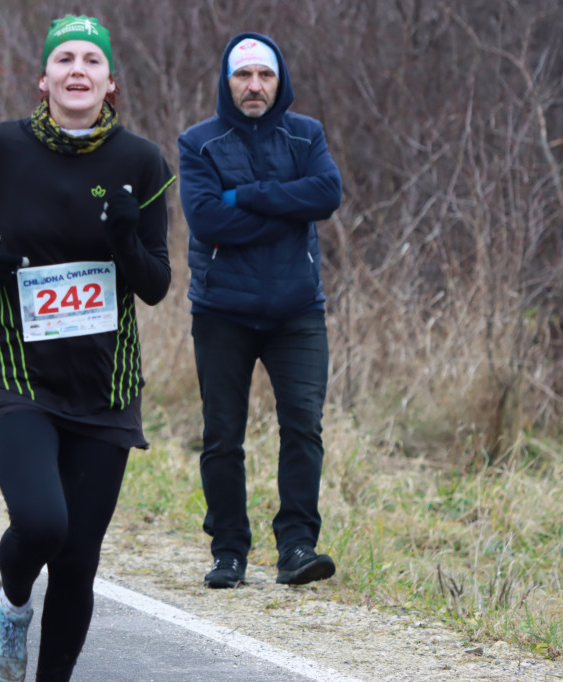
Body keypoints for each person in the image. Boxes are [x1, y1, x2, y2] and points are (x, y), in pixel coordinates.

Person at [0, 14, 174, 682]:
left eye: (92, 59)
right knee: (41, 524)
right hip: (17, 374)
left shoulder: (141, 162)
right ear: (44, 78)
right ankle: (11, 606)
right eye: (65, 59)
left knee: (80, 560)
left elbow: (155, 287)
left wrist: (125, 241)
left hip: (106, 386)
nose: (78, 70)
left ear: (110, 81)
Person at [177, 33, 342, 589]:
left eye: (264, 76)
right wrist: (289, 206)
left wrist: (246, 195)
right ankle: (229, 551)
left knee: (303, 427)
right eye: (243, 76)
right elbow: (207, 221)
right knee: (223, 434)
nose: (254, 86)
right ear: (227, 82)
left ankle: (297, 546)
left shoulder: (306, 134)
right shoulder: (198, 143)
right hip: (222, 311)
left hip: (297, 312)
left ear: (279, 81)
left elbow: (327, 194)